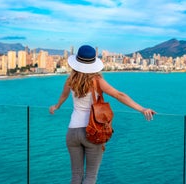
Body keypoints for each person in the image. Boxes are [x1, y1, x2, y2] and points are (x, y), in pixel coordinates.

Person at [49, 45, 156, 184]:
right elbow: (119, 95)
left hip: (72, 132)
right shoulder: (97, 80)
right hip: (92, 132)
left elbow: (63, 97)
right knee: (90, 177)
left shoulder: (70, 80)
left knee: (76, 176)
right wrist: (142, 109)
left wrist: (56, 107)